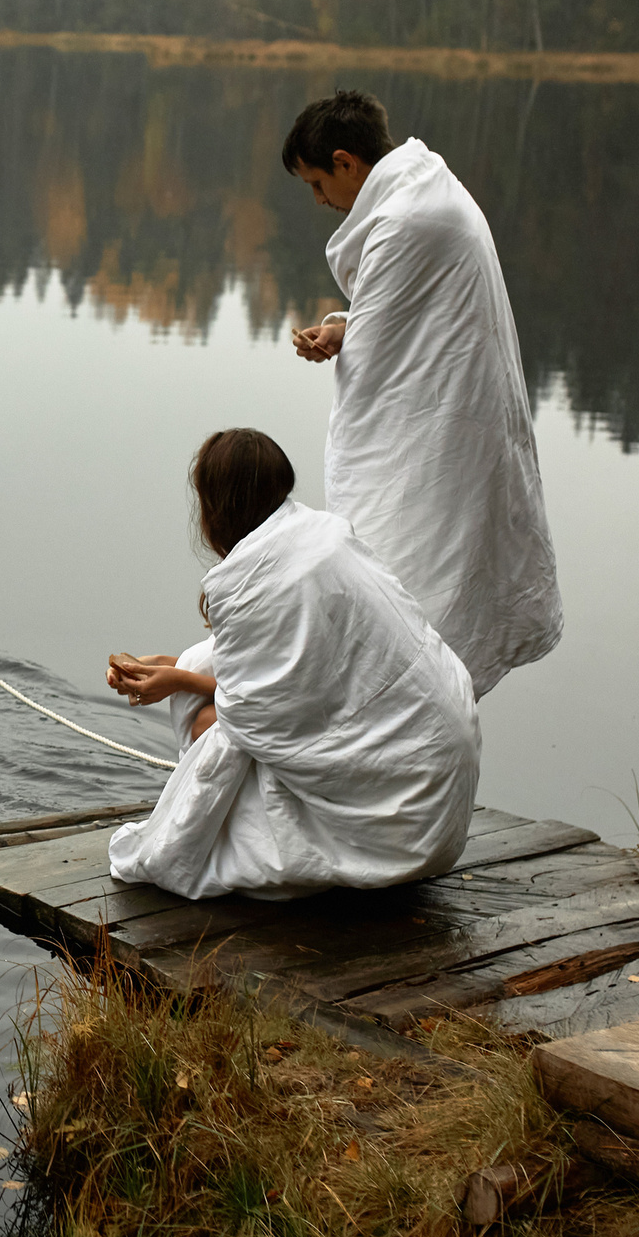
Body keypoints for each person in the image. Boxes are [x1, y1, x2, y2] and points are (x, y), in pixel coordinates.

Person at [104, 429, 481, 902]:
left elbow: (254, 714)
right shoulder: (321, 534)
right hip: (440, 789)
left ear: (214, 507)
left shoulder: (254, 580)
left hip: (400, 826)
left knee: (205, 725)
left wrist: (177, 680)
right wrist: (170, 667)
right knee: (208, 675)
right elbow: (291, 678)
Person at [283, 91, 561, 697]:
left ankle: (410, 713)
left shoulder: (403, 219)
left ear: (345, 162)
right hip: (467, 419)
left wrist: (353, 344)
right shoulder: (430, 188)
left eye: (318, 183)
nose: (320, 200)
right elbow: (412, 320)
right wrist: (344, 330)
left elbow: (381, 370)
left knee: (406, 569)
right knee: (426, 587)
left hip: (445, 435)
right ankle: (418, 710)